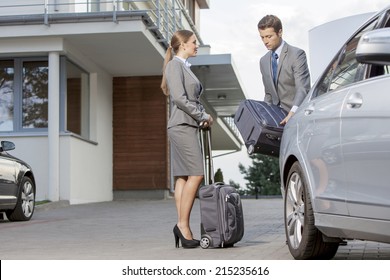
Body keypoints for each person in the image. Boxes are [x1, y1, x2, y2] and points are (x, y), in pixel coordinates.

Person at [161, 30, 213, 248]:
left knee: (182, 178)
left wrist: (200, 118)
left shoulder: (182, 67)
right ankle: (182, 225)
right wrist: (203, 115)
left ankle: (182, 227)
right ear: (182, 45)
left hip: (187, 125)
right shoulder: (175, 65)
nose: (196, 45)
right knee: (197, 174)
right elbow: (180, 99)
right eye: (193, 42)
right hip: (182, 126)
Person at [258, 15, 311, 124]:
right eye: (262, 37)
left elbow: (302, 88)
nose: (265, 41)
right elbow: (268, 94)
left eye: (269, 36)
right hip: (275, 119)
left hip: (296, 116)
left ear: (280, 32)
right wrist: (264, 116)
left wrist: (293, 112)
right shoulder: (263, 61)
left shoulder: (296, 54)